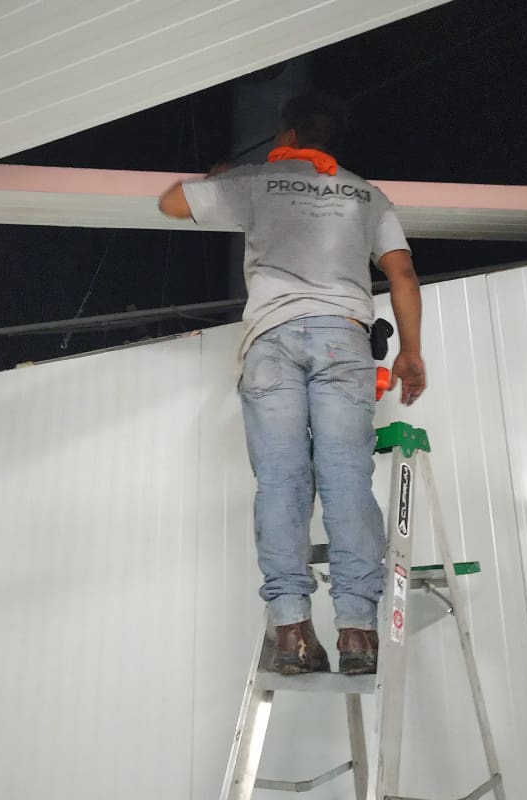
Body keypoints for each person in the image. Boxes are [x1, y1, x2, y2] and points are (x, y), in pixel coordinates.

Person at [159, 94, 426, 675]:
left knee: (281, 482)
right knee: (347, 479)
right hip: (344, 339)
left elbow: (172, 202)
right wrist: (410, 353)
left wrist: (226, 179)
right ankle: (357, 631)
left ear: (287, 134)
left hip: (271, 341)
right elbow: (402, 273)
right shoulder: (366, 194)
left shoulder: (259, 180)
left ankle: (291, 631)